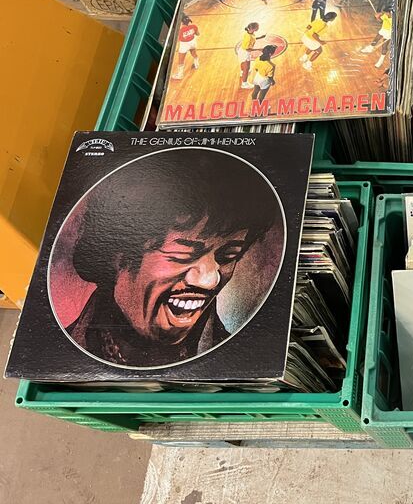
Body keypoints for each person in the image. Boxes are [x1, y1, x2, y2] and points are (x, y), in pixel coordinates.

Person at [64, 148, 279, 367]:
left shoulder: (244, 363)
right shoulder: (62, 356)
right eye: (183, 254)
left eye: (228, 256)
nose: (210, 280)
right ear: (117, 254)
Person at [171, 15, 200, 81]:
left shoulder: (180, 30)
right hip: (192, 42)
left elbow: (177, 40)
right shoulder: (194, 26)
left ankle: (180, 75)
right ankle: (196, 64)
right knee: (194, 53)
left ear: (181, 22)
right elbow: (198, 34)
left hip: (184, 45)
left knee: (181, 61)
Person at [237, 22, 262, 89]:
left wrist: (260, 37)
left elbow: (252, 38)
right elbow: (247, 49)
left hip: (242, 51)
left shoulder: (248, 33)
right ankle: (244, 84)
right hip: (245, 52)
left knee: (243, 64)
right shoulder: (249, 38)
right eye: (258, 27)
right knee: (247, 68)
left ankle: (242, 73)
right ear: (254, 28)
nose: (258, 28)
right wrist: (259, 49)